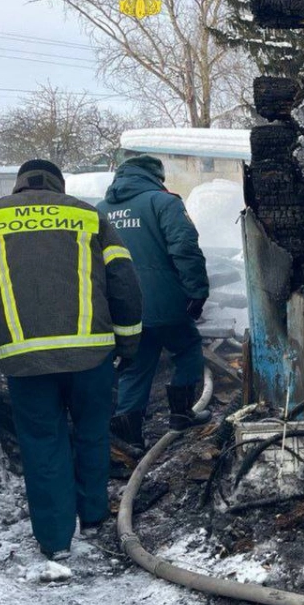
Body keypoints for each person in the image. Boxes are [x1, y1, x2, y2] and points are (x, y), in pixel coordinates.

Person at [0, 159, 143, 561]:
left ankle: (56, 540)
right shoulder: (87, 215)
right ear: (58, 184)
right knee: (92, 432)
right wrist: (127, 345)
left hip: (24, 359)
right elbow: (124, 282)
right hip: (91, 354)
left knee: (43, 444)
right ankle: (93, 516)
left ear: (20, 185)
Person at [98, 155, 211, 450]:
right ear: (155, 176)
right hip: (165, 301)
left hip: (121, 307)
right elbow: (185, 247)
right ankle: (181, 414)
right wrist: (197, 291)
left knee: (136, 362)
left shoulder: (100, 210)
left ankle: (128, 431)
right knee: (187, 348)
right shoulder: (163, 202)